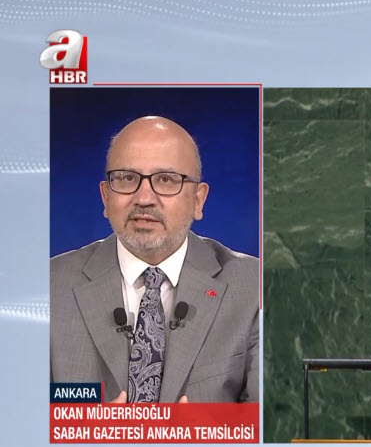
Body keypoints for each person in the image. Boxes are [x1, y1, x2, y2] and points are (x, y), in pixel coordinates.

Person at [50, 116, 259, 404]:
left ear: (198, 200)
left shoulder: (254, 288)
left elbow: (271, 419)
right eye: (127, 178)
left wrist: (210, 429)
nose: (144, 198)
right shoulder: (48, 287)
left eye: (166, 179)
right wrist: (85, 426)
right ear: (105, 197)